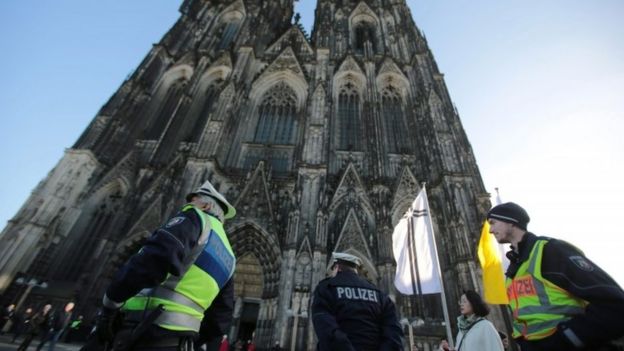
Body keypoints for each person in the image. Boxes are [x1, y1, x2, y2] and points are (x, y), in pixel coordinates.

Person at [93, 180, 237, 350]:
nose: (188, 204)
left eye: (193, 200)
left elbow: (153, 260)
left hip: (143, 331)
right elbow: (221, 317)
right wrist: (191, 338)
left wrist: (110, 305)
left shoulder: (195, 217)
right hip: (180, 343)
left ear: (205, 206)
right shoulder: (229, 255)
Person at [488, 202, 624, 351]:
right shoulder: (514, 268)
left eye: (493, 223)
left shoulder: (550, 251)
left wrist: (567, 338)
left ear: (510, 222)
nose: (490, 230)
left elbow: (616, 306)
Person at [312, 252, 404, 351]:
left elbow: (327, 330)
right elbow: (394, 334)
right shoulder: (380, 294)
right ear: (356, 269)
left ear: (337, 267)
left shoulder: (327, 288)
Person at [438, 290, 504, 351]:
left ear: (473, 303)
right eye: (460, 302)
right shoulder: (461, 331)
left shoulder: (485, 326)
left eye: (464, 301)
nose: (461, 304)